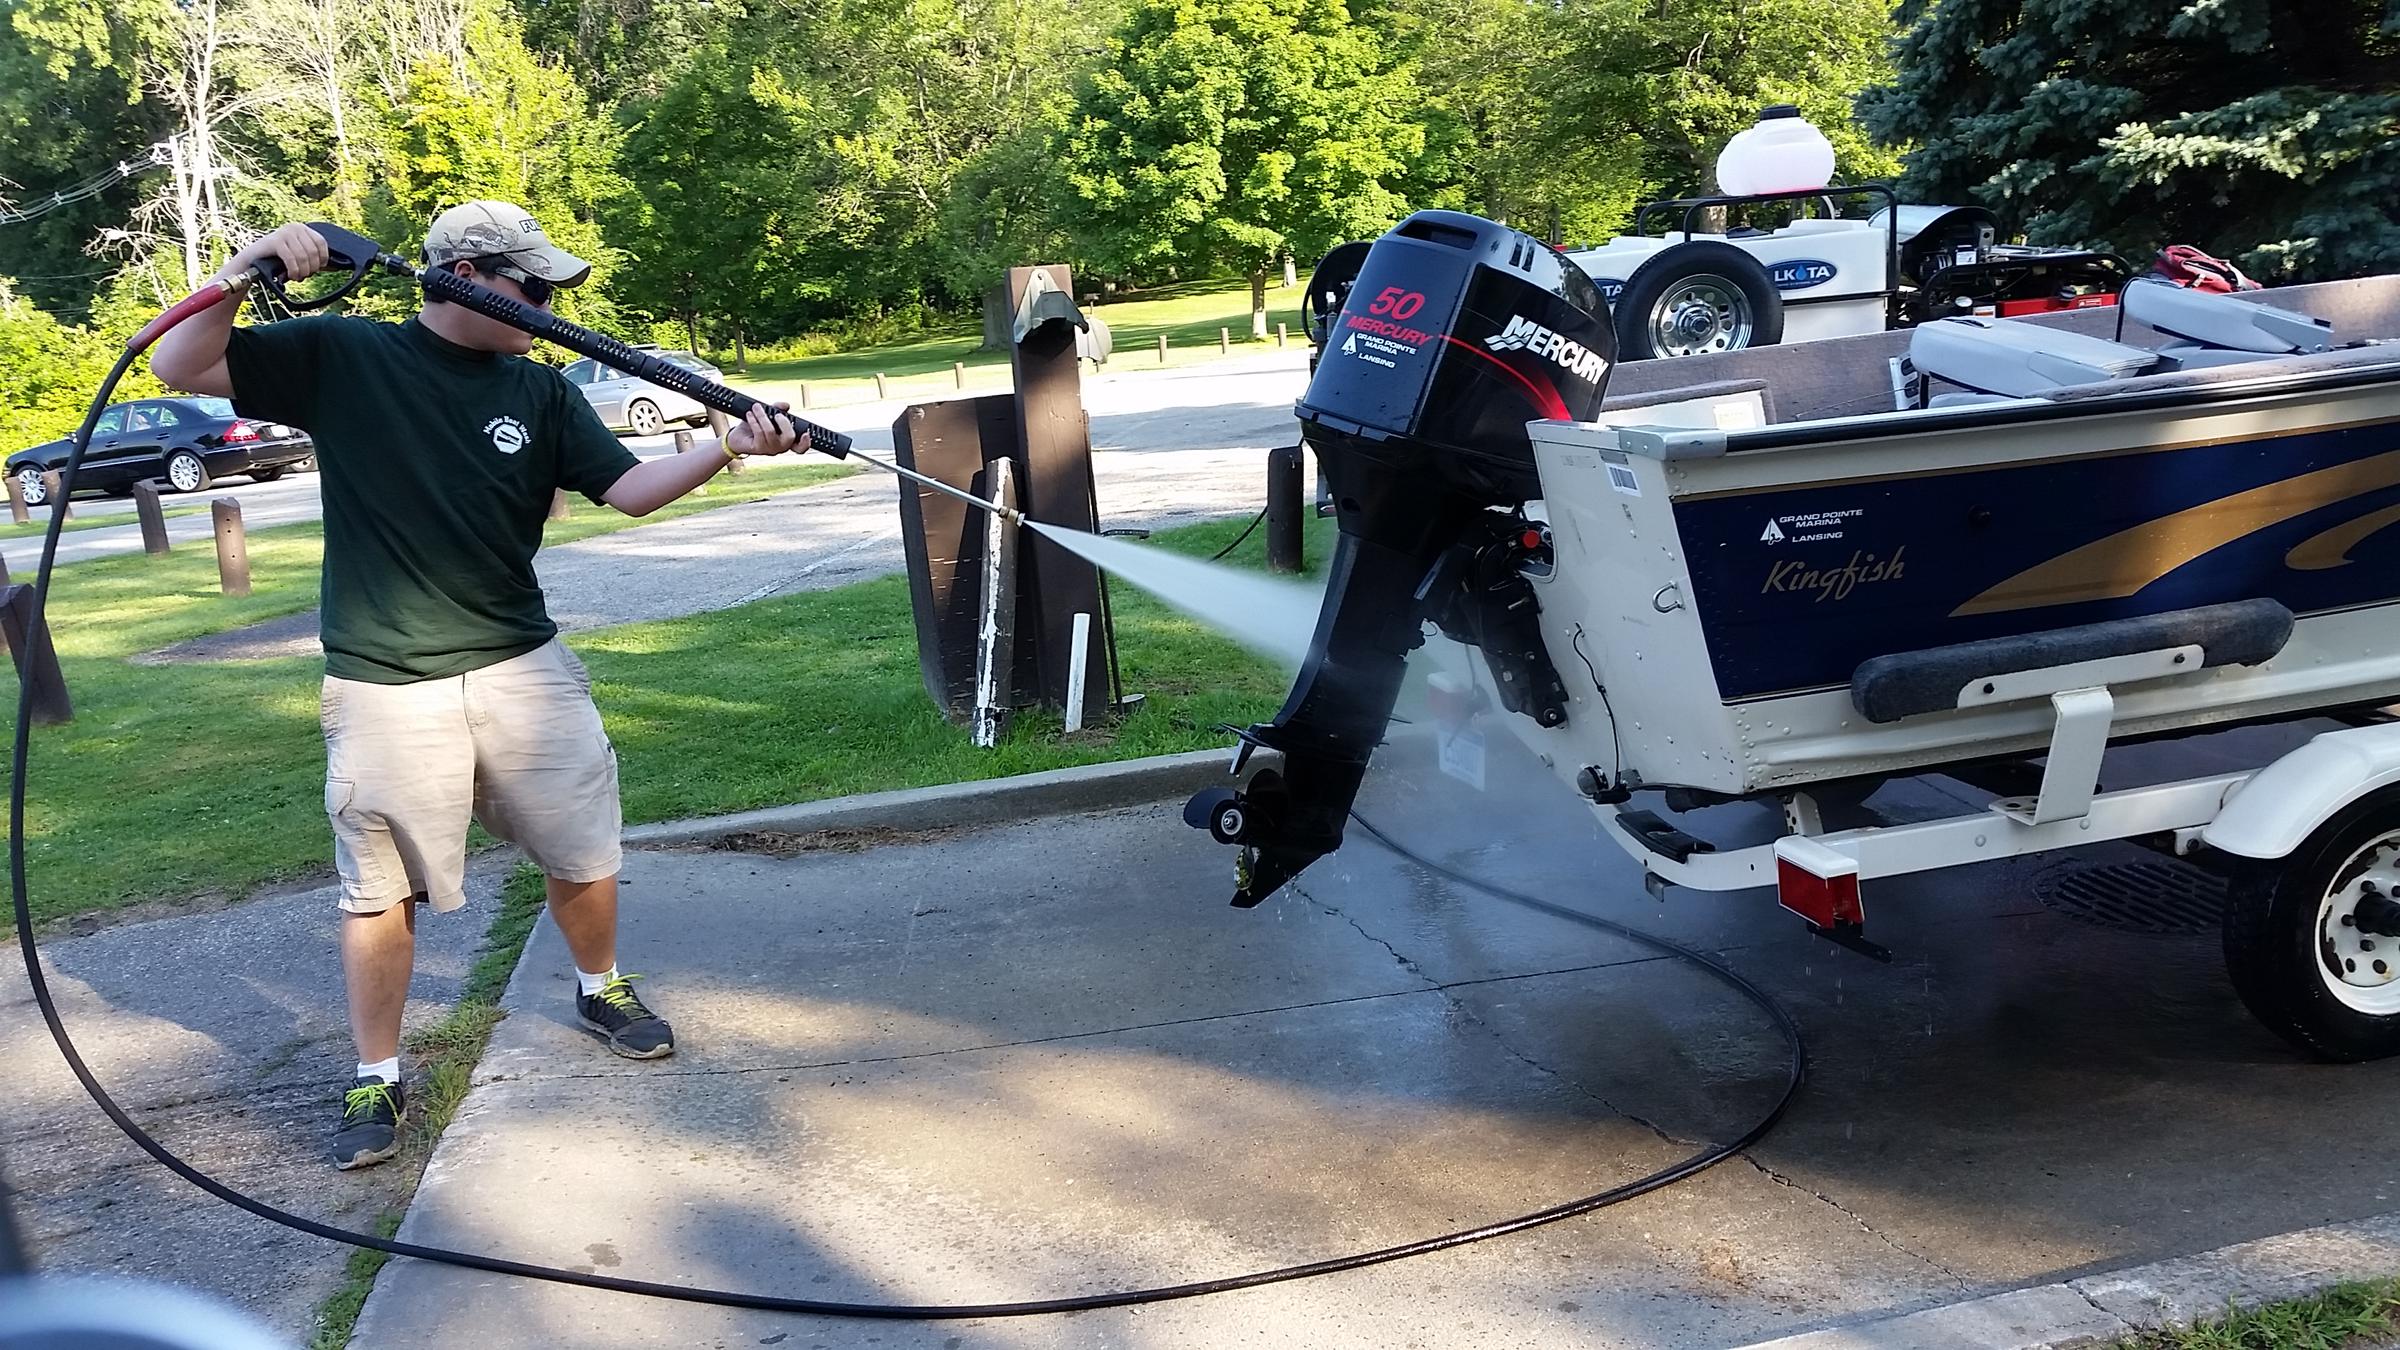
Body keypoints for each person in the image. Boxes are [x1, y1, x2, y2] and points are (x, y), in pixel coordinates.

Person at [149, 202, 809, 1170]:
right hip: (385, 684)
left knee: (583, 846)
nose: (546, 307)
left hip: (521, 665)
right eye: (532, 288)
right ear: (463, 274)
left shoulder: (540, 395)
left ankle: (600, 985)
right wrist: (249, 264)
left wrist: (727, 446)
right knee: (381, 892)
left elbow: (626, 491)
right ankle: (377, 1071)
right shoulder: (345, 356)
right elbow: (177, 366)